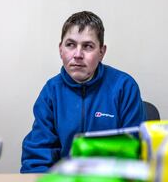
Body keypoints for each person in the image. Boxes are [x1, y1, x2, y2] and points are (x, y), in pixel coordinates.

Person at [20, 11, 146, 173]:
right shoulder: (51, 92)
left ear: (101, 52)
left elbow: (134, 154)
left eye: (87, 46)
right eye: (70, 45)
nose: (78, 55)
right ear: (60, 49)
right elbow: (38, 156)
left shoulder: (124, 87)